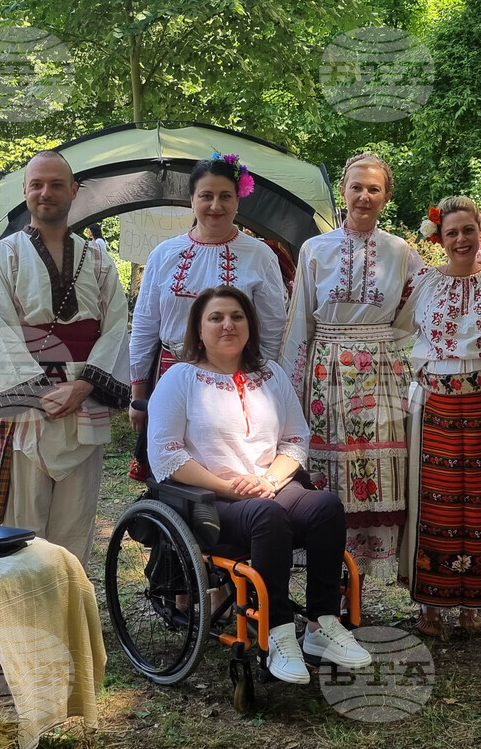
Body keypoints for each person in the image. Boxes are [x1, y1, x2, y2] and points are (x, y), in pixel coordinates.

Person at [147, 285, 372, 684]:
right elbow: (165, 456)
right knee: (268, 516)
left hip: (270, 486)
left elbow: (295, 439)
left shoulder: (270, 375)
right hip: (209, 498)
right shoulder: (180, 378)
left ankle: (321, 625)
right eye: (216, 318)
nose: (228, 325)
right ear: (198, 330)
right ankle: (277, 634)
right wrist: (230, 487)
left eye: (237, 316)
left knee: (325, 507)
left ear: (250, 326)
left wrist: (269, 479)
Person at [0, 150, 130, 566]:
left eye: (57, 184)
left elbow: (116, 325)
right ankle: (23, 605)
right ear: (25, 191)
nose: (46, 193)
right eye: (37, 185)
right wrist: (40, 393)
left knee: (75, 524)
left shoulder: (98, 258)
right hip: (28, 407)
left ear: (74, 191)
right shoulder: (3, 256)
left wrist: (84, 386)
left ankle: (69, 604)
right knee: (22, 527)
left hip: (85, 402)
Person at [280, 153, 422, 581]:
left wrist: (392, 348)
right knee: (330, 470)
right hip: (326, 373)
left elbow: (418, 309)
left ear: (386, 196)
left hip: (381, 373)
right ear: (342, 191)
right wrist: (287, 388)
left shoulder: (400, 251)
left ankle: (361, 575)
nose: (364, 196)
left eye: (374, 189)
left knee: (377, 465)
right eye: (356, 187)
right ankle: (331, 580)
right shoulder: (315, 249)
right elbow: (299, 321)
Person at [395, 196, 481, 636]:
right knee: (435, 500)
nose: (460, 239)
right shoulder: (423, 282)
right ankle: (430, 603)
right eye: (451, 232)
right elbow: (394, 331)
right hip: (435, 405)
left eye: (468, 230)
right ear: (439, 237)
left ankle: (475, 599)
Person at [129, 153, 287, 479]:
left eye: (225, 196)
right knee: (173, 469)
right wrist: (138, 397)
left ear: (238, 200)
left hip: (237, 379)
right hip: (170, 375)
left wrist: (266, 391)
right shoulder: (164, 254)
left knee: (231, 470)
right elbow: (145, 327)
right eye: (206, 196)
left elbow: (272, 330)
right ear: (192, 200)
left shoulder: (260, 255)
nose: (216, 205)